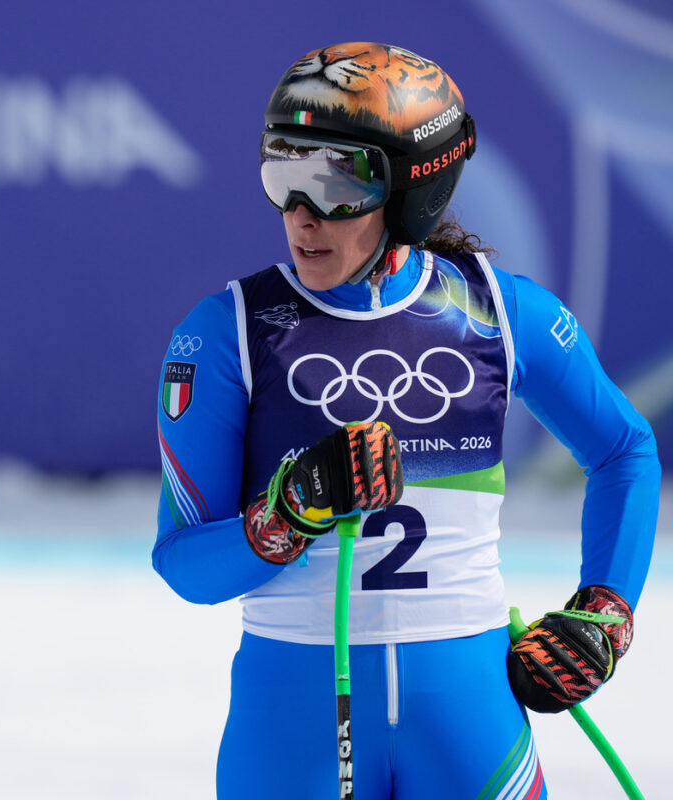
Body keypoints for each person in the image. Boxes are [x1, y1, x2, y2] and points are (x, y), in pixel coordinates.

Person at [153, 42, 659, 799]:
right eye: (283, 175)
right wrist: (288, 516)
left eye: (336, 183)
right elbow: (185, 565)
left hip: (470, 727)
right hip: (293, 730)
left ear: (412, 190)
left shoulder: (500, 312)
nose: (301, 214)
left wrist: (604, 615)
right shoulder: (228, 331)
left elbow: (625, 451)